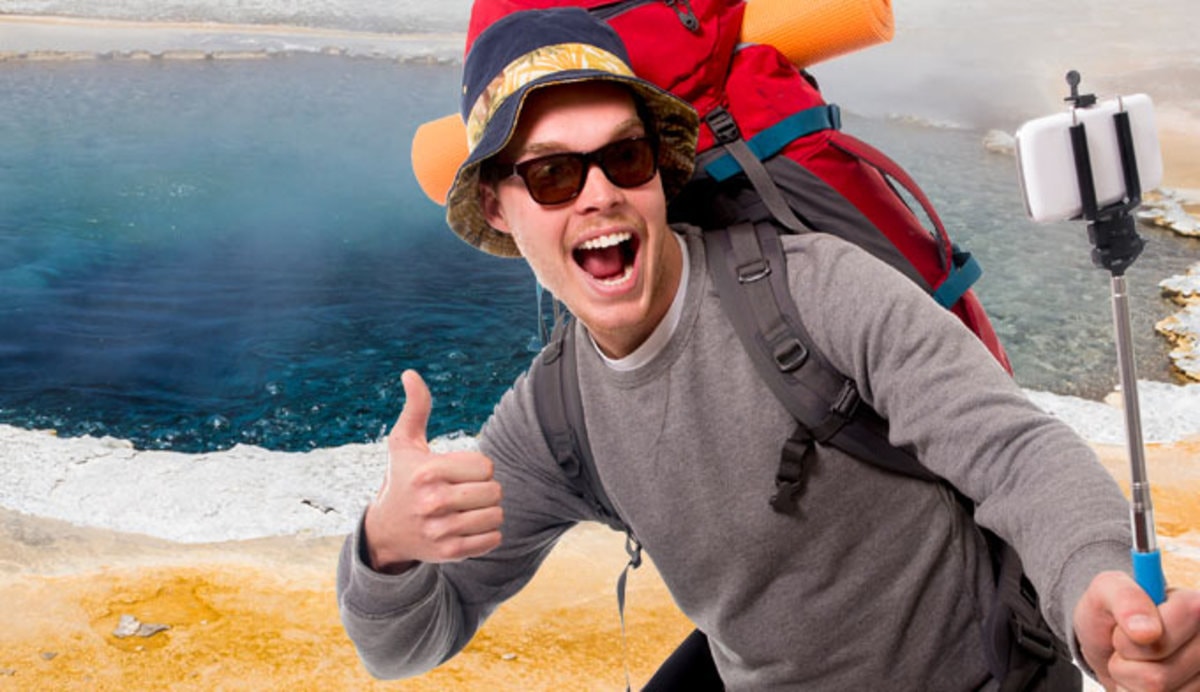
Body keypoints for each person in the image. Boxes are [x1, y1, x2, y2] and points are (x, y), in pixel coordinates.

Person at [337, 8, 1200, 690]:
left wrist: (1096, 595)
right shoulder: (555, 419)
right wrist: (388, 545)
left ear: (658, 170)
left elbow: (1013, 453)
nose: (599, 194)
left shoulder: (815, 289)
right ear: (497, 207)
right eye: (555, 175)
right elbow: (404, 645)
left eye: (625, 157)